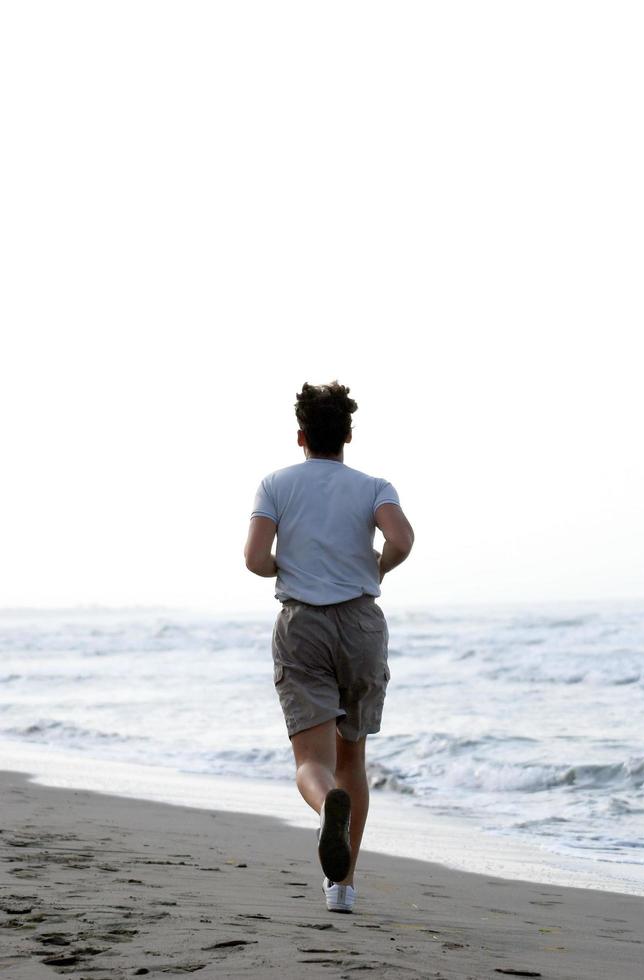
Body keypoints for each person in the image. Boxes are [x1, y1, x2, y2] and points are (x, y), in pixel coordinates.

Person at [244, 381, 414, 913]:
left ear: (301, 436)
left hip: (304, 626)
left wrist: (288, 567)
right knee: (353, 756)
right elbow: (402, 540)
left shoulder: (276, 484)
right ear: (347, 436)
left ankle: (325, 807)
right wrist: (376, 566)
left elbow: (254, 558)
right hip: (361, 623)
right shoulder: (373, 487)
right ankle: (342, 887)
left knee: (311, 762)